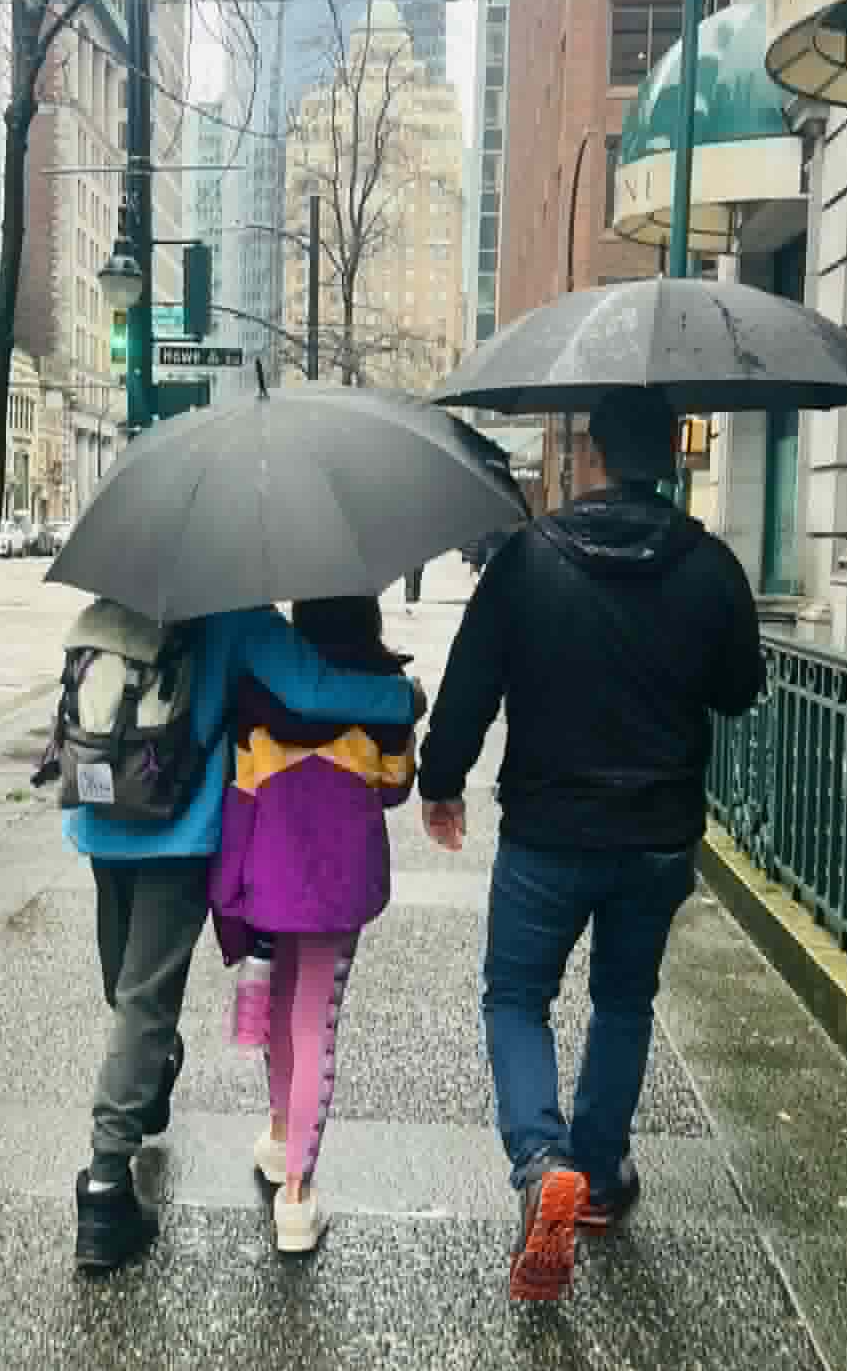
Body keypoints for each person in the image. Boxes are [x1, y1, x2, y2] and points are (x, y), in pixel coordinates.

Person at [417, 387, 764, 1302]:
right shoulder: (710, 565)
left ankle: (542, 1162)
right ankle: (600, 1176)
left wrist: (440, 780)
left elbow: (469, 683)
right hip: (656, 835)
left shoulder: (530, 560)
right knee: (624, 999)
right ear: (677, 456)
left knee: (517, 997)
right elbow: (739, 691)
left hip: (548, 830)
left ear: (596, 455)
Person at [67, 605, 420, 1274]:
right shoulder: (237, 617)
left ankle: (147, 1069)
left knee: (126, 992)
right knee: (143, 1005)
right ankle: (106, 1189)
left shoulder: (113, 596)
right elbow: (313, 690)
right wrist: (403, 695)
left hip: (101, 817)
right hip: (176, 834)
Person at [209, 597, 418, 1254]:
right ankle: (297, 1196)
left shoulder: (257, 697)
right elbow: (394, 786)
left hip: (269, 879)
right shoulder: (381, 698)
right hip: (339, 883)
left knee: (277, 1014)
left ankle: (278, 1134)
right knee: (315, 1021)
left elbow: (239, 793)